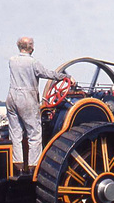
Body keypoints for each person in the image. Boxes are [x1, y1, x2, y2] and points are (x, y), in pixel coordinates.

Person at [6, 36, 74, 175]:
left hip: (12, 96)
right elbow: (46, 74)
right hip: (27, 98)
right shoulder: (33, 62)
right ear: (31, 47)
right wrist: (65, 77)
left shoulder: (12, 61)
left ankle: (18, 165)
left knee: (16, 133)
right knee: (34, 134)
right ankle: (33, 167)